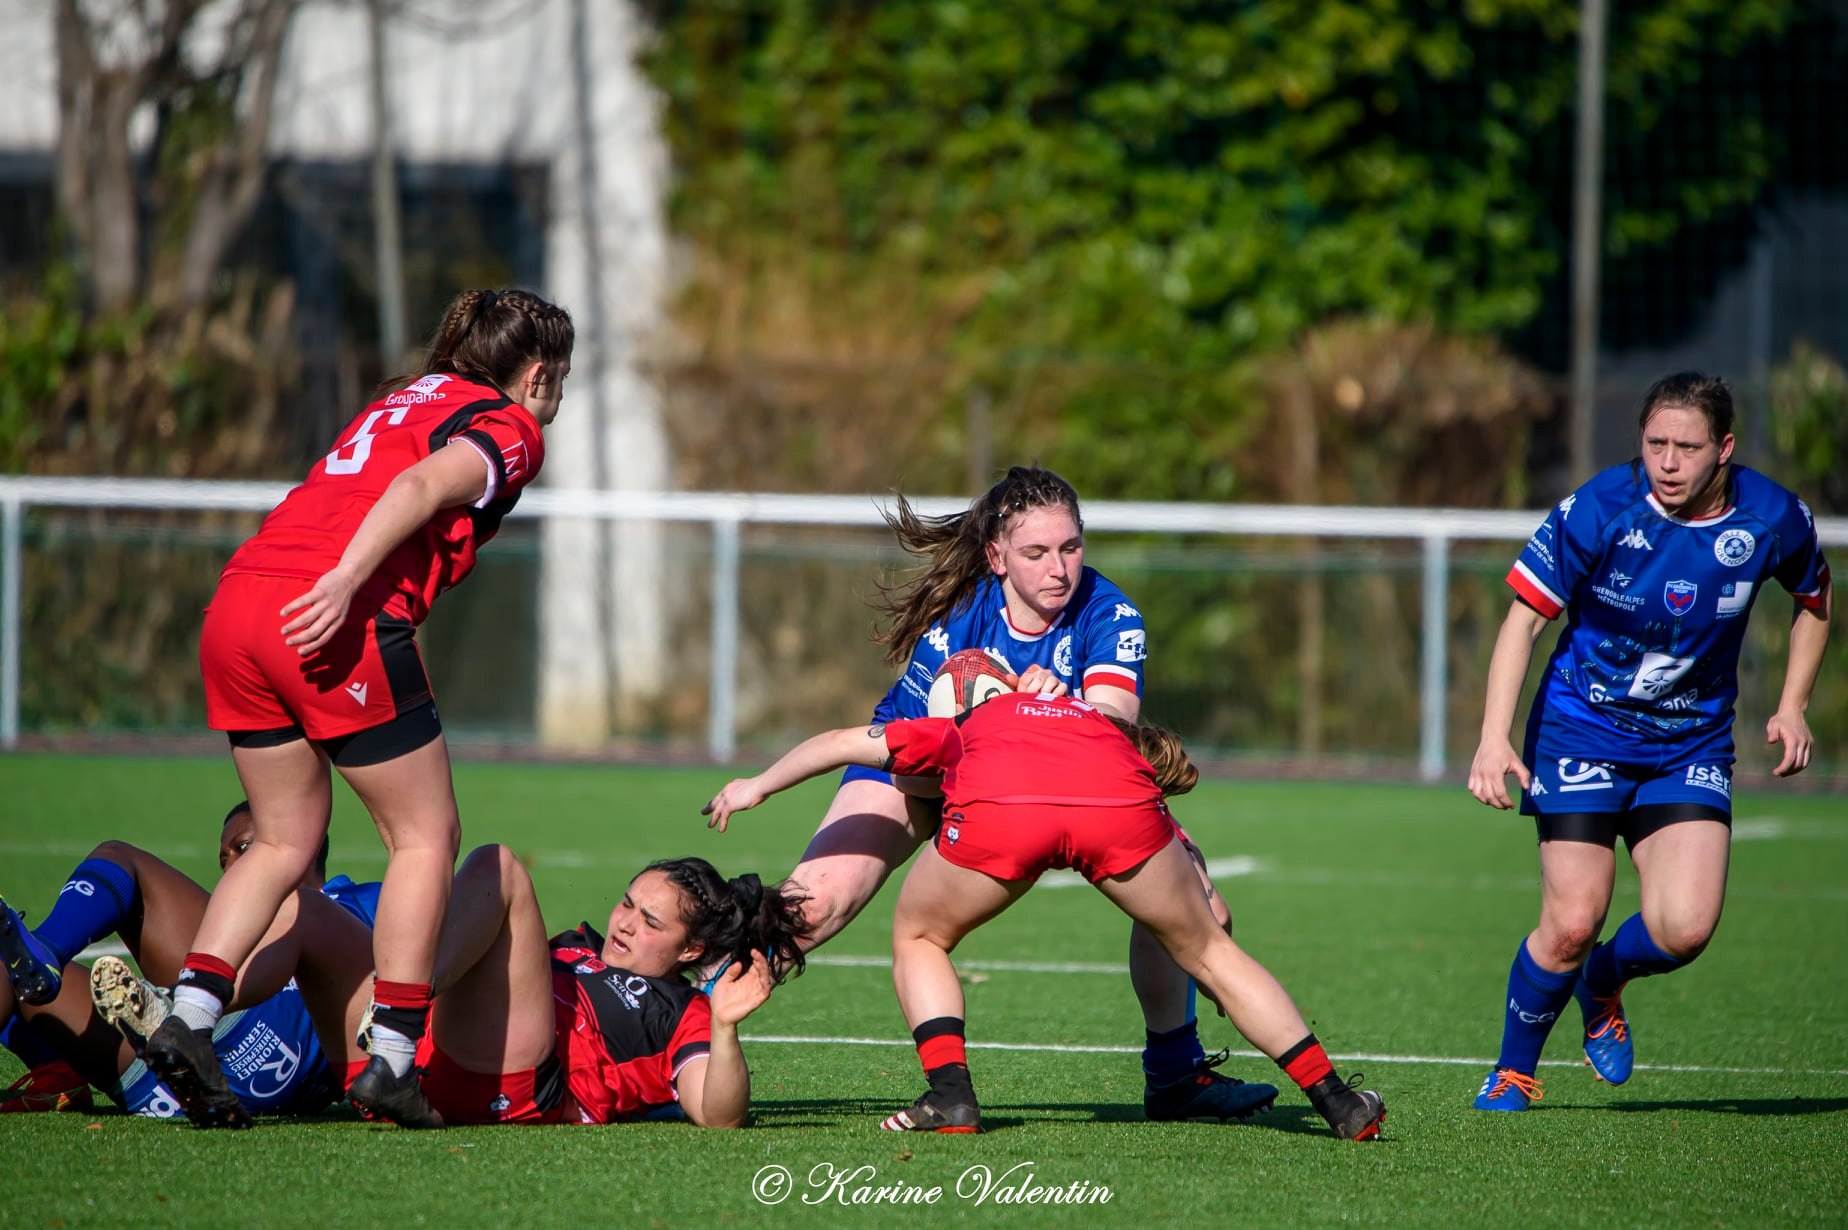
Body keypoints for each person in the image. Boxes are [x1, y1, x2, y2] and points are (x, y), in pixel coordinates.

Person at [146, 288, 573, 1129]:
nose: (559, 396)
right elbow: (419, 485)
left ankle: (189, 1019)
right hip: (328, 611)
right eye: (560, 379)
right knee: (425, 836)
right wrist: (345, 581)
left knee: (282, 839)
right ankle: (393, 1059)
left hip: (238, 602)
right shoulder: (512, 425)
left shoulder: (406, 395)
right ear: (536, 376)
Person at [779, 465, 1277, 1122]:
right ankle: (690, 1025)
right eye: (1036, 552)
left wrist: (1058, 708)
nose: (1058, 569)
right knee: (814, 907)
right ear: (997, 557)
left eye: (1070, 547)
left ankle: (1175, 1077)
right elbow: (913, 760)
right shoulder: (958, 618)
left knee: (1205, 912)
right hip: (926, 770)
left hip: (1056, 784)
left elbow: (1115, 731)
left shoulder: (1110, 613)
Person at [704, 690, 1387, 1140]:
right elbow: (1207, 900)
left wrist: (755, 785)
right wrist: (1210, 948)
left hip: (1005, 810)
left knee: (921, 936)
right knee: (1211, 953)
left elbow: (837, 741)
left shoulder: (961, 726)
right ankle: (1337, 1100)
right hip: (1115, 807)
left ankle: (950, 1095)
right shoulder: (1104, 730)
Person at [1465, 371, 1831, 1111]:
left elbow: (1815, 601)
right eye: (1655, 443)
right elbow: (1523, 619)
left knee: (1686, 929)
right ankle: (1512, 1072)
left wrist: (1794, 705)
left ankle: (1602, 983)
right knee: (1572, 922)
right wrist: (1491, 737)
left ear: (1724, 449)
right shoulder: (1602, 507)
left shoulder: (1771, 517)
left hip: (1689, 743)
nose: (1666, 461)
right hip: (1583, 727)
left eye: (1686, 448)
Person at [92, 846, 810, 1129]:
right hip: (400, 1071)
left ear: (691, 949)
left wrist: (724, 1026)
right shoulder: (580, 947)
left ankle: (396, 1014)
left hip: (517, 1082)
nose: (623, 923)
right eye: (627, 902)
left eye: (649, 922)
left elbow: (718, 1116)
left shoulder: (680, 1010)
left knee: (500, 869)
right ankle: (189, 1019)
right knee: (307, 909)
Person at [0, 802, 376, 1120]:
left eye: (244, 849)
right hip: (166, 1088)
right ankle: (55, 1068)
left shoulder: (355, 900)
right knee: (8, 961)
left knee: (120, 858)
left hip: (258, 1030)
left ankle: (48, 952)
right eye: (224, 860)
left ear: (303, 841)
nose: (231, 869)